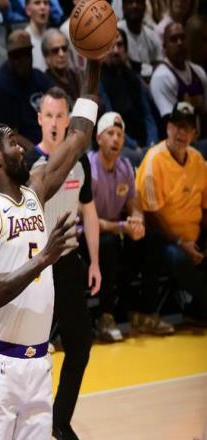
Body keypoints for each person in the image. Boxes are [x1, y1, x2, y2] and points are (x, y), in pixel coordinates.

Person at [0, 59, 101, 439]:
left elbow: (78, 138)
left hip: (39, 360)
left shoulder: (36, 190)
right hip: (2, 364)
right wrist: (44, 258)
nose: (21, 147)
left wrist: (93, 64)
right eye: (12, 142)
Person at [26, 87, 101, 440]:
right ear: (40, 119)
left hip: (69, 263)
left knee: (80, 344)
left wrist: (95, 262)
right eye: (49, 116)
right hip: (37, 268)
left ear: (68, 120)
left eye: (60, 116)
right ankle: (30, 423)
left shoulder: (80, 161)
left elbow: (89, 211)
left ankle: (59, 421)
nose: (55, 122)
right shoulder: (29, 162)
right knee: (33, 351)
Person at [89, 112, 174, 341]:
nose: (116, 139)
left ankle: (145, 313)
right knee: (107, 244)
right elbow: (88, 220)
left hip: (118, 231)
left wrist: (137, 221)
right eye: (110, 133)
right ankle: (105, 317)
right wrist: (121, 227)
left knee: (152, 239)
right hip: (87, 238)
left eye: (119, 134)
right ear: (99, 138)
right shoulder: (88, 168)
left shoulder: (125, 166)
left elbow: (134, 204)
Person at [136, 101, 207, 323]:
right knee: (178, 259)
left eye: (187, 128)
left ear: (194, 134)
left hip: (195, 237)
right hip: (164, 239)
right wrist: (181, 243)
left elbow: (205, 207)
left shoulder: (198, 160)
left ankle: (196, 309)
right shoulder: (154, 160)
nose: (181, 133)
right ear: (168, 127)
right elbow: (152, 217)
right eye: (177, 126)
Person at [99, 27, 159, 163]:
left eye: (120, 45)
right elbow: (111, 122)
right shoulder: (99, 81)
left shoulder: (134, 77)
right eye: (111, 46)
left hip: (144, 142)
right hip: (121, 143)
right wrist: (134, 146)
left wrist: (152, 143)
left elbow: (148, 116)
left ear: (126, 50)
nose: (115, 51)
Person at [0, 29, 54, 149]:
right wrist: (38, 153)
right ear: (9, 56)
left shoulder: (39, 77)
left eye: (26, 54)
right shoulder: (0, 85)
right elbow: (10, 133)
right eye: (17, 55)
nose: (23, 60)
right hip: (25, 150)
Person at [150, 22, 207, 139]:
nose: (179, 43)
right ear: (164, 46)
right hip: (174, 141)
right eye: (173, 39)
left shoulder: (199, 72)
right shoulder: (161, 77)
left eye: (182, 38)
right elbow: (170, 122)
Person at [118, 0, 162, 79]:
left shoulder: (152, 34)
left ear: (145, 7)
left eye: (139, 2)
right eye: (130, 2)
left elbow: (160, 64)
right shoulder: (116, 32)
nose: (135, 6)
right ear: (123, 7)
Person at [42, 29, 84, 106]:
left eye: (64, 49)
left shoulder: (78, 75)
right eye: (55, 50)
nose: (61, 54)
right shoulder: (44, 83)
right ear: (46, 57)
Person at [25, 0, 51, 72]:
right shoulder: (24, 40)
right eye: (37, 3)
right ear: (28, 10)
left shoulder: (55, 38)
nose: (43, 7)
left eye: (46, 3)